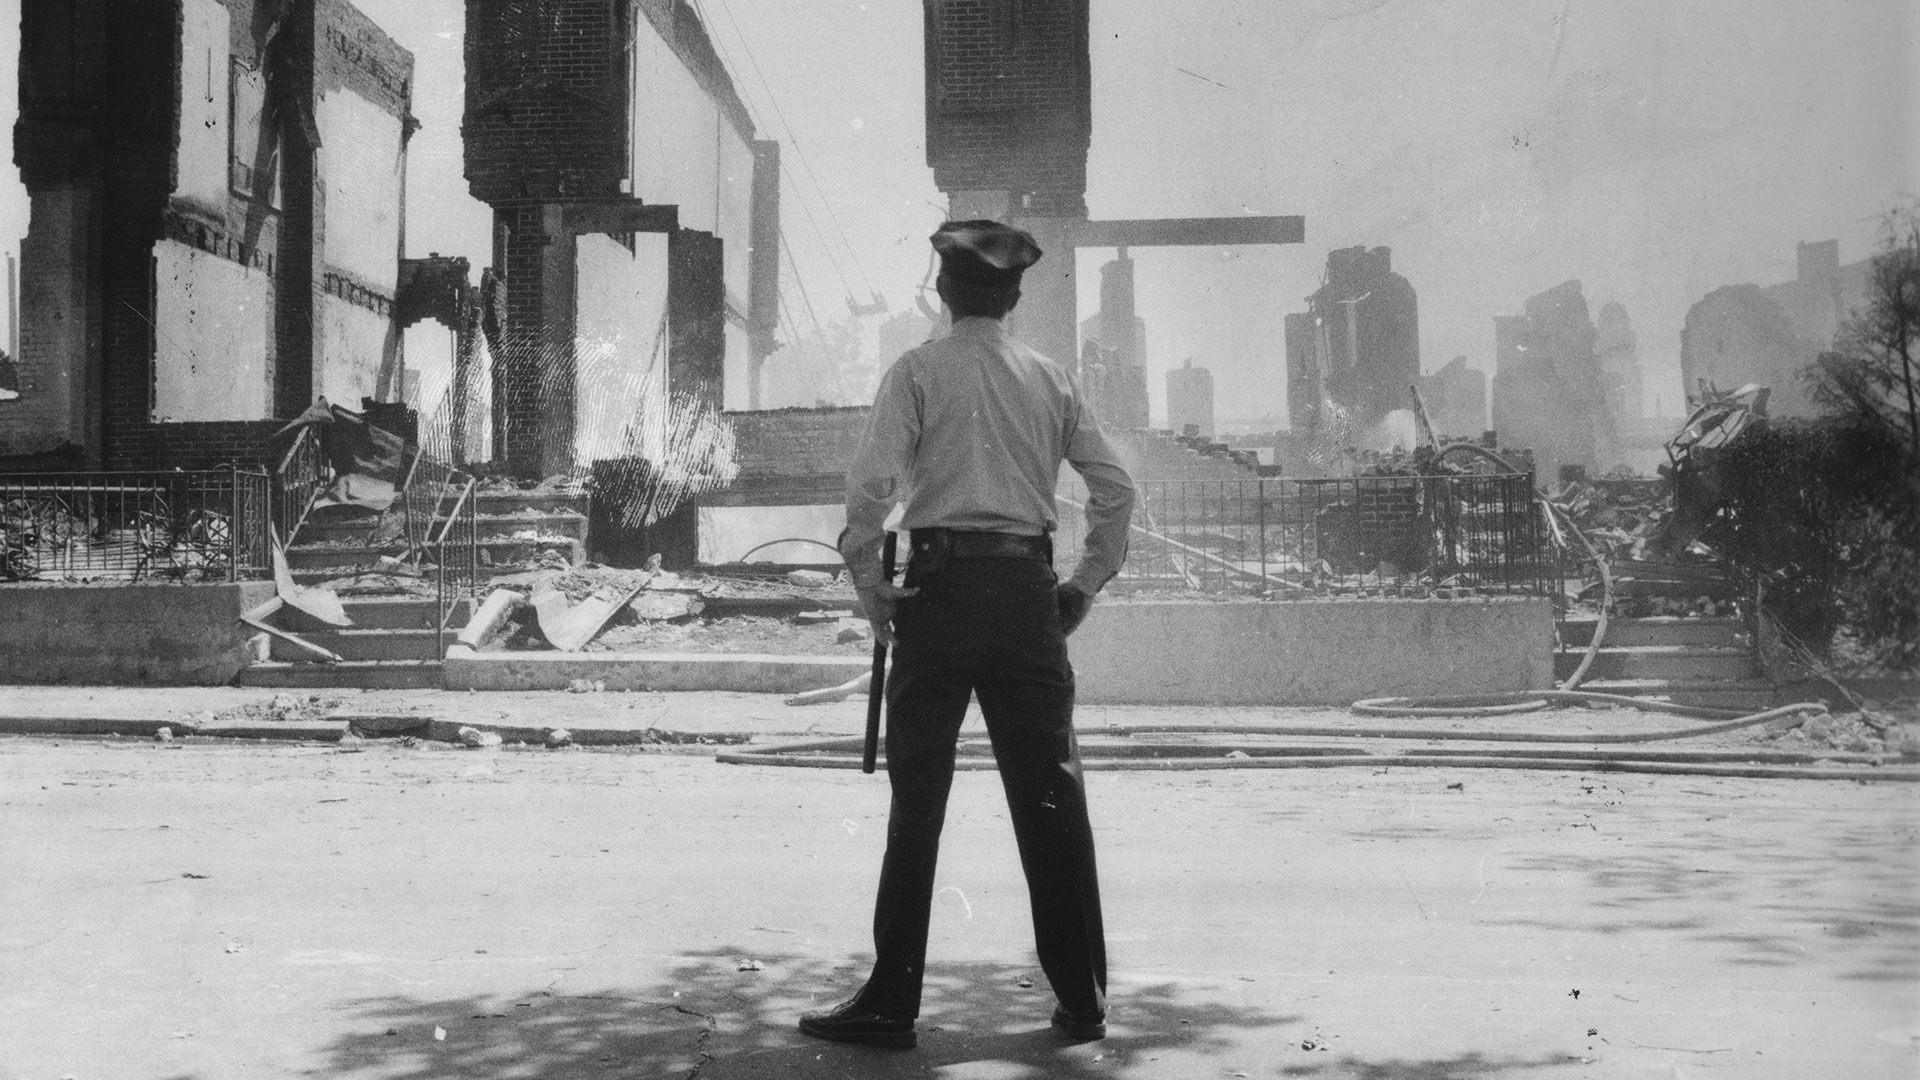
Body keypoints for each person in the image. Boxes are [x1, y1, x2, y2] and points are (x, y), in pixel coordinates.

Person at [799, 220, 1137, 1050]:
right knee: (1052, 797)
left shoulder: (916, 370)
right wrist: (1082, 586)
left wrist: (876, 590)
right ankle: (1083, 1000)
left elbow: (870, 493)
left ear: (944, 293)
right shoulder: (1051, 378)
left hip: (941, 595)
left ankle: (890, 1004)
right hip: (1027, 595)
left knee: (918, 804)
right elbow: (1117, 490)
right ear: (1015, 298)